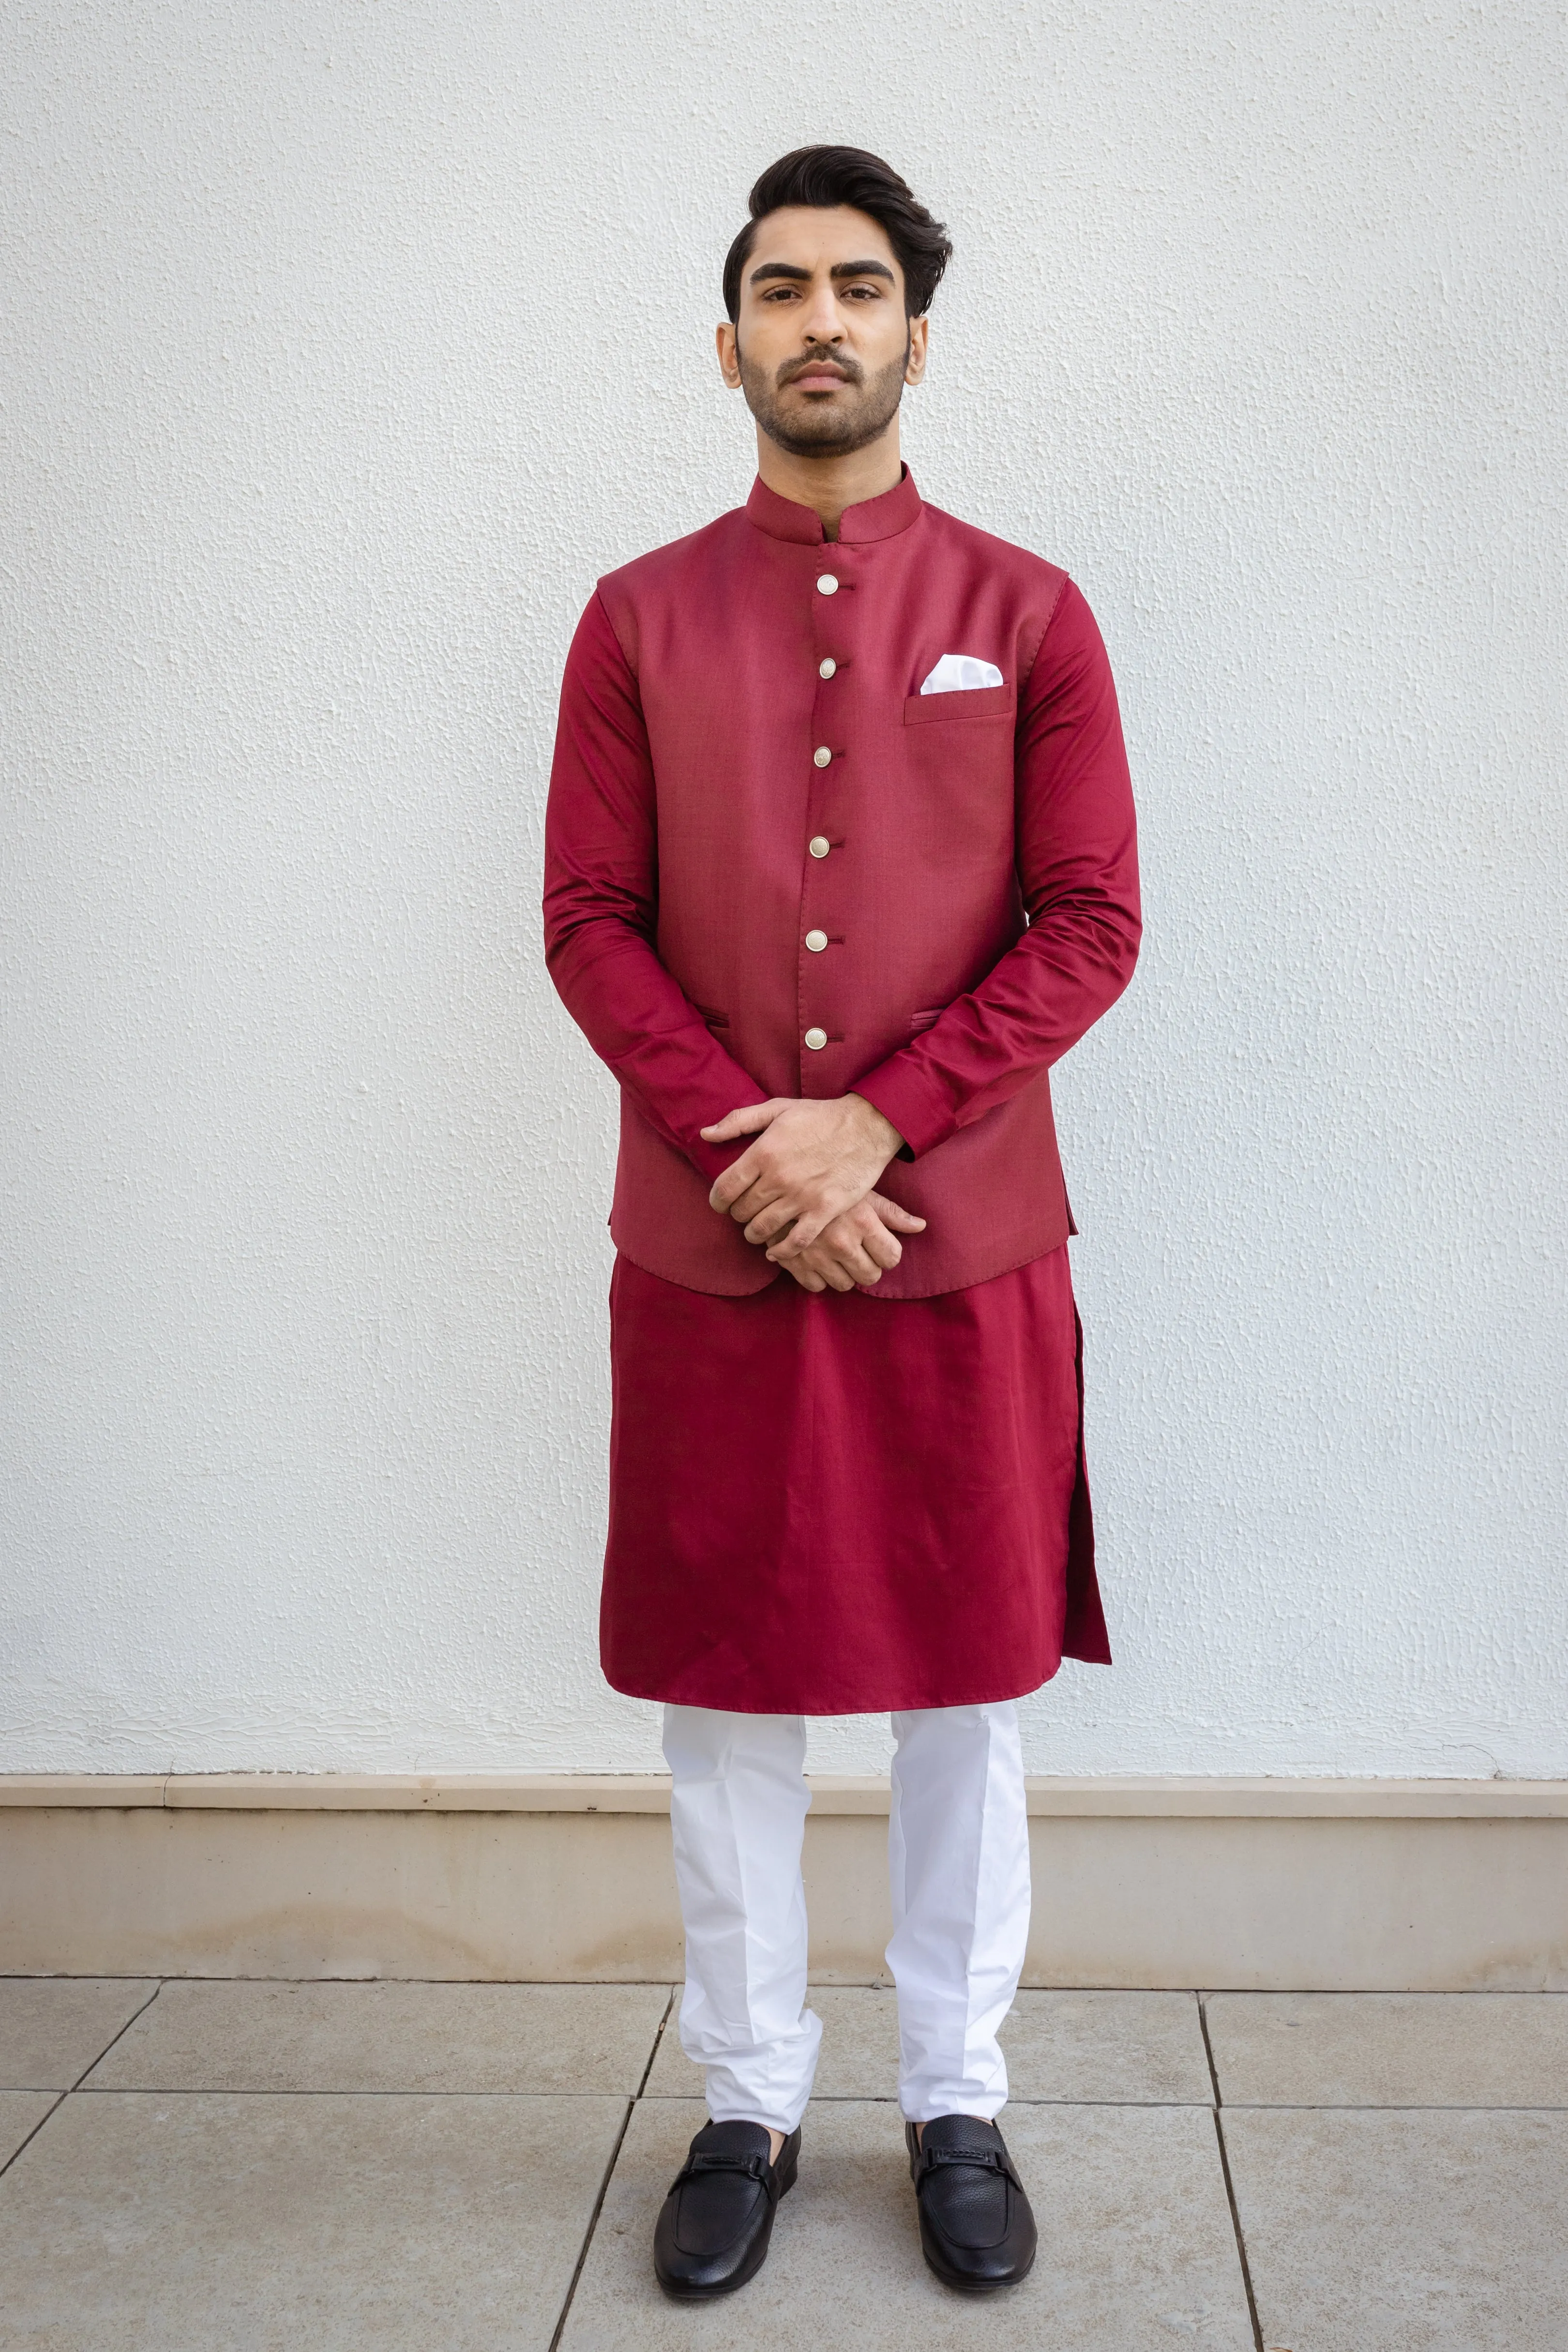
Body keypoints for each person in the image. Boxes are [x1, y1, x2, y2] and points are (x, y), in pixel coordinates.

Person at [543, 144, 1141, 2299]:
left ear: (913, 336)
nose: (822, 318)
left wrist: (872, 1129)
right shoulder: (634, 616)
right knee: (729, 1696)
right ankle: (751, 2097)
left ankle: (960, 2097)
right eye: (784, 286)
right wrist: (757, 1150)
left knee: (967, 1688)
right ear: (731, 344)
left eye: (860, 285)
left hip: (965, 1238)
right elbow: (590, 925)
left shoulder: (1029, 612)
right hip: (711, 1242)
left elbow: (1092, 926)